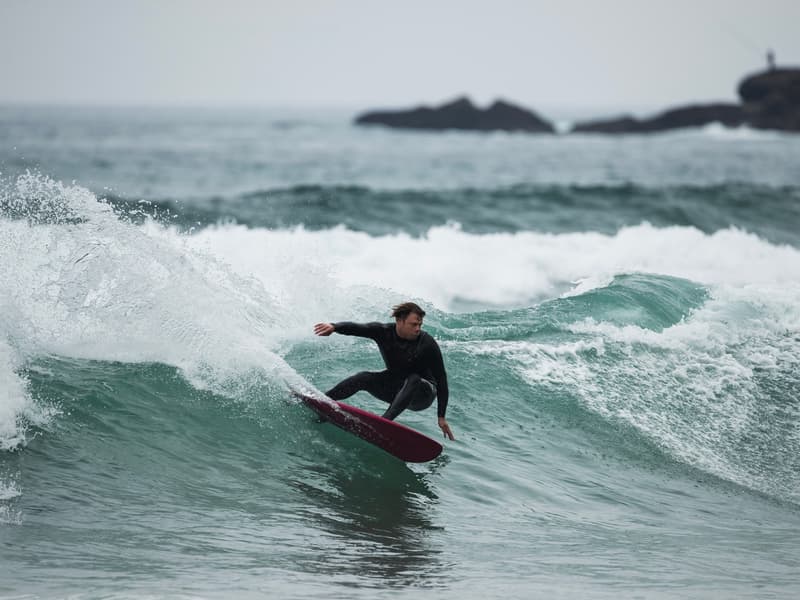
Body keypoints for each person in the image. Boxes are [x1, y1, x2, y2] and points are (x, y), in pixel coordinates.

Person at [314, 302, 455, 440]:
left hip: (422, 394)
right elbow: (358, 328)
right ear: (399, 321)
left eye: (420, 325)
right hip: (397, 389)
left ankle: (383, 423)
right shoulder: (384, 331)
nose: (418, 328)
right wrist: (334, 327)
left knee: (414, 378)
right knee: (363, 377)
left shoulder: (427, 343)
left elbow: (441, 380)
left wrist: (441, 417)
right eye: (414, 324)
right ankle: (321, 402)